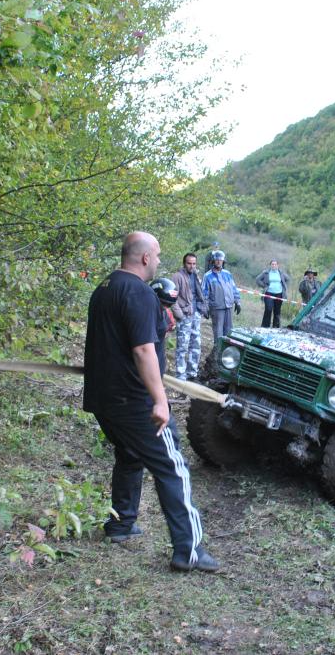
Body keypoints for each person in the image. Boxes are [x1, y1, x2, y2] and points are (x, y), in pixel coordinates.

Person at [83, 232, 219, 573]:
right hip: (136, 401)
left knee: (129, 457)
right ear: (144, 258)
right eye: (157, 255)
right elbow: (143, 350)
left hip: (104, 399)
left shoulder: (104, 288)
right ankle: (188, 551)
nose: (159, 261)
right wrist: (160, 401)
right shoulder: (140, 294)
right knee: (173, 468)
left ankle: (121, 524)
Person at [170, 253, 208, 381]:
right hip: (184, 315)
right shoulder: (177, 277)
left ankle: (192, 373)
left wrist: (202, 309)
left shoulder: (196, 276)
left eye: (194, 263)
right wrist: (179, 314)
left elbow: (199, 294)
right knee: (182, 346)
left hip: (196, 314)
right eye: (189, 263)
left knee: (196, 344)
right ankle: (180, 375)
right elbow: (172, 298)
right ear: (184, 263)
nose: (192, 266)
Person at [201, 249, 241, 342]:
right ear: (213, 261)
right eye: (217, 259)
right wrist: (205, 308)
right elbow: (204, 293)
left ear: (223, 261)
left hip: (228, 306)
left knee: (229, 331)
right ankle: (217, 353)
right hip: (216, 308)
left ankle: (227, 354)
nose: (219, 261)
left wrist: (238, 302)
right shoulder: (207, 276)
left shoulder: (227, 274)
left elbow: (234, 288)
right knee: (218, 332)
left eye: (221, 260)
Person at [255, 259, 290, 328]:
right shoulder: (266, 273)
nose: (274, 265)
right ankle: (265, 326)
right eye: (272, 264)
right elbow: (257, 279)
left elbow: (288, 279)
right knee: (268, 309)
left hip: (279, 294)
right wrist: (264, 286)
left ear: (278, 265)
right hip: (269, 293)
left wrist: (284, 286)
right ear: (270, 265)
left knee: (277, 311)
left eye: (275, 264)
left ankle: (276, 327)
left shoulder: (281, 273)